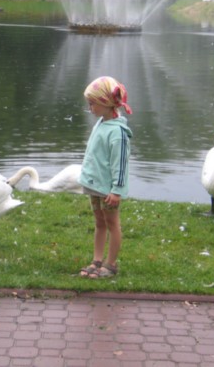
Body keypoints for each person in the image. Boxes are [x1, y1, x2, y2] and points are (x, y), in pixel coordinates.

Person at [78, 76, 133, 279]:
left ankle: (111, 264)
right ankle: (97, 260)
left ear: (106, 103)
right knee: (99, 222)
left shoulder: (118, 132)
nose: (90, 107)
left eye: (92, 103)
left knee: (112, 223)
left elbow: (121, 164)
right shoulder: (101, 123)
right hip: (95, 185)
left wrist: (116, 190)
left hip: (109, 189)